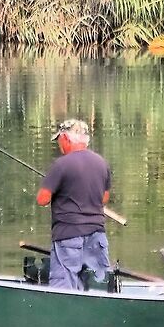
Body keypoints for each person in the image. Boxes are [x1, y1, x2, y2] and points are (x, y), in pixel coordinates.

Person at [35, 117, 113, 290]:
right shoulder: (102, 164)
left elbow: (42, 199)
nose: (59, 145)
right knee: (98, 286)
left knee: (63, 289)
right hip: (97, 235)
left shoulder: (61, 165)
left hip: (68, 235)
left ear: (66, 138)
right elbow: (104, 199)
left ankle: (63, 316)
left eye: (59, 140)